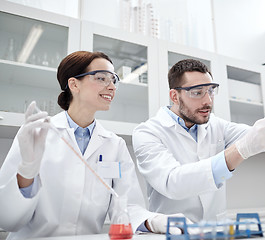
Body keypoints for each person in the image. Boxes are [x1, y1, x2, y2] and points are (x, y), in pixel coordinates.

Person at [0, 51, 188, 239]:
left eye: (114, 80)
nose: (112, 87)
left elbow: (126, 205)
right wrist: (26, 173)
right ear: (74, 84)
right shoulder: (36, 133)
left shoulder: (114, 145)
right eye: (102, 78)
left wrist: (152, 221)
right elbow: (7, 218)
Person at [132, 44, 265, 222]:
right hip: (174, 233)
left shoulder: (216, 125)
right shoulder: (148, 132)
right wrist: (240, 150)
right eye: (197, 93)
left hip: (216, 231)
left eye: (211, 91)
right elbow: (173, 183)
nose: (208, 101)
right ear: (174, 96)